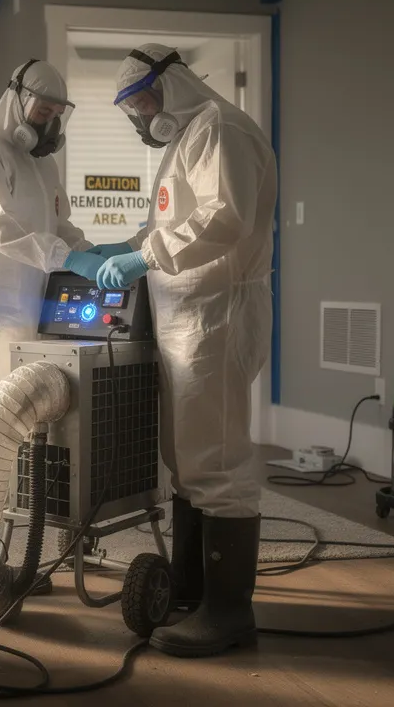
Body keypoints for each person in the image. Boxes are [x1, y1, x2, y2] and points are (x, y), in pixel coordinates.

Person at [87, 44, 277, 657]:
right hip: (186, 316)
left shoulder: (221, 128)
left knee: (216, 460)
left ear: (168, 84)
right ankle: (196, 590)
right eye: (130, 111)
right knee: (187, 459)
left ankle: (228, 612)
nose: (139, 118)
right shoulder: (189, 137)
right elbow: (176, 222)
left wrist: (144, 256)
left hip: (216, 314)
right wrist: (129, 244)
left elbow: (226, 217)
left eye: (140, 103)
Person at [0, 59, 104, 600]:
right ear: (16, 100)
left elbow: (61, 227)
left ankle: (4, 559)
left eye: (58, 114)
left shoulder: (42, 166)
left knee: (25, 432)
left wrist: (100, 253)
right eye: (42, 110)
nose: (49, 123)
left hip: (33, 306)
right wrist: (64, 255)